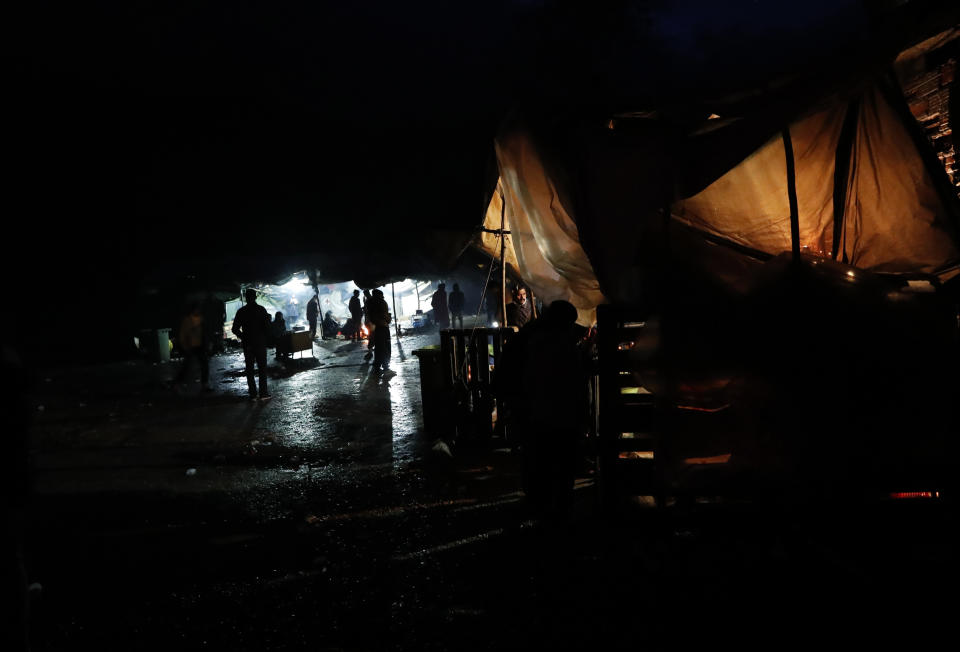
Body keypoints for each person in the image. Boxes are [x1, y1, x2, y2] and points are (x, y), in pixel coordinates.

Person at [500, 300, 587, 517]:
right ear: (562, 321)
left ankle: (540, 503)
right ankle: (555, 507)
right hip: (548, 411)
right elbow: (572, 380)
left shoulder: (530, 335)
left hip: (534, 411)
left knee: (537, 457)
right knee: (556, 459)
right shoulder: (553, 341)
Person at [232, 288, 272, 400]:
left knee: (249, 368)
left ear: (245, 298)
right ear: (255, 297)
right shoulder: (261, 310)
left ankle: (253, 394)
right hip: (259, 343)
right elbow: (267, 328)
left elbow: (235, 329)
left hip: (248, 344)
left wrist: (244, 337)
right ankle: (263, 393)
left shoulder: (241, 311)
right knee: (262, 368)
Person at [175, 303, 210, 392]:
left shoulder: (200, 319)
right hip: (191, 346)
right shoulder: (188, 320)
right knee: (188, 366)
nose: (198, 311)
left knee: (203, 365)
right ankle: (177, 383)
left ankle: (204, 384)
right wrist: (185, 347)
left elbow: (204, 333)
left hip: (199, 346)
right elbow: (183, 335)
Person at [366, 288, 393, 374]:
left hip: (376, 328)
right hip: (383, 327)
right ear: (379, 295)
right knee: (385, 347)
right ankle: (385, 367)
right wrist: (388, 318)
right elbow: (385, 316)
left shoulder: (370, 303)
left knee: (379, 348)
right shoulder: (380, 302)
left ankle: (377, 366)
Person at [363, 289, 375, 360]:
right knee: (371, 336)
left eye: (366, 293)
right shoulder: (368, 300)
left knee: (372, 336)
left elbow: (369, 311)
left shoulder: (370, 300)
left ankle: (370, 352)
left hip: (372, 321)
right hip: (370, 321)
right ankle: (370, 351)